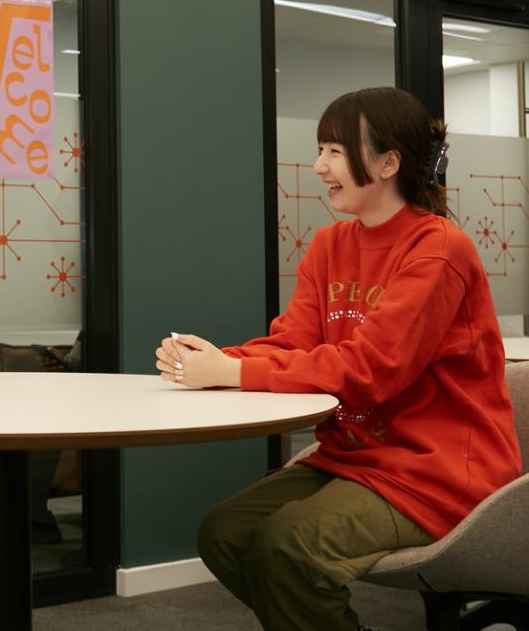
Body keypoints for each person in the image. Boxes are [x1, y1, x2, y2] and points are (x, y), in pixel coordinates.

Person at [155, 87, 521, 631]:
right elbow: (293, 343)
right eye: (320, 149)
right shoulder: (329, 246)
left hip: (438, 471)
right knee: (224, 531)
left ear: (388, 162)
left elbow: (372, 371)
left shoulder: (439, 250)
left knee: (287, 546)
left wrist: (231, 372)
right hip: (354, 457)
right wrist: (212, 357)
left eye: (333, 150)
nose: (318, 166)